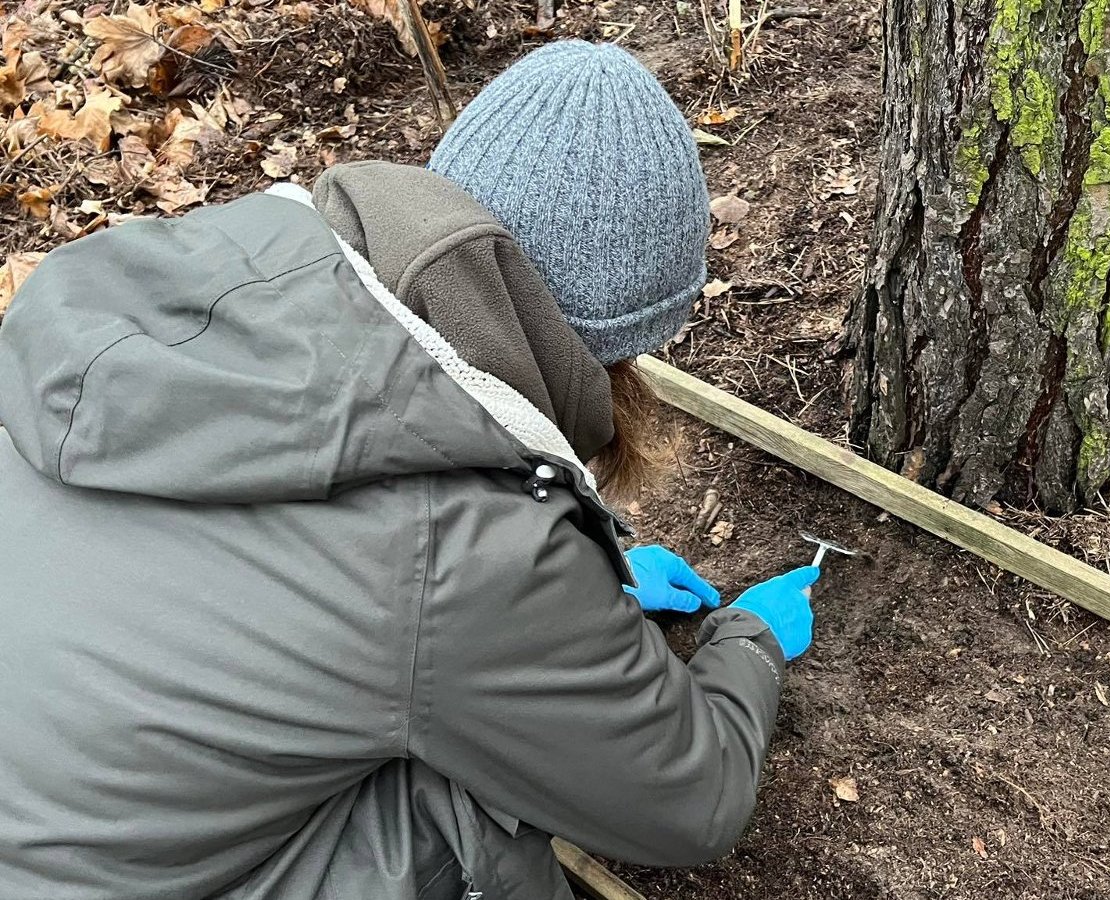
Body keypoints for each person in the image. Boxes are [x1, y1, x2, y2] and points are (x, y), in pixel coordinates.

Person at [0, 41, 817, 900]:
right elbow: (693, 802)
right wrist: (748, 644)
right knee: (471, 803)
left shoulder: (228, 274)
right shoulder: (467, 547)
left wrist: (589, 607)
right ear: (601, 347)